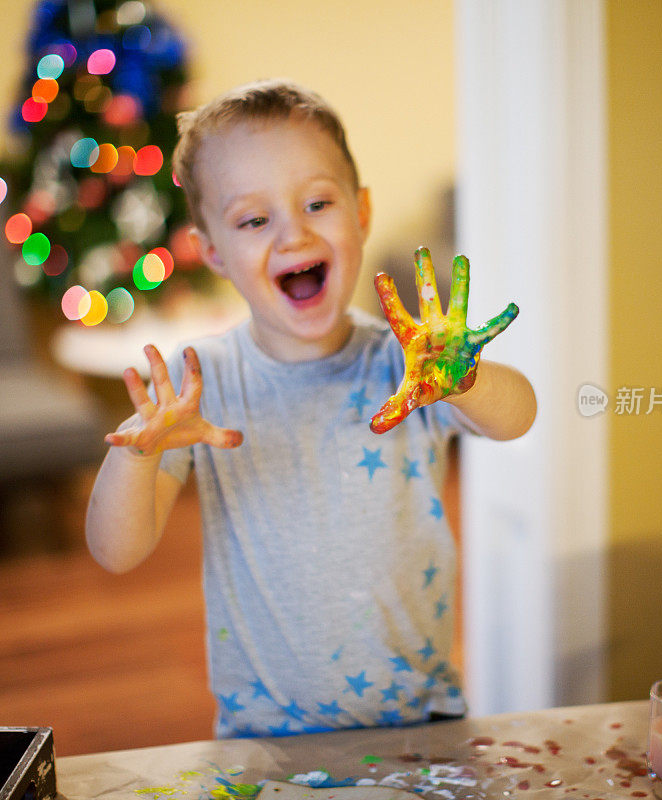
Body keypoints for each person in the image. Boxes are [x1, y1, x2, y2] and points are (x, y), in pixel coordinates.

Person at [86, 78, 537, 738]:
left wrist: (463, 378)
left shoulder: (406, 365)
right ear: (213, 251)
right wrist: (139, 454)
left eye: (317, 203)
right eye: (254, 220)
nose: (293, 234)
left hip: (421, 722)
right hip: (266, 737)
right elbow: (116, 551)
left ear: (361, 213)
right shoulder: (199, 383)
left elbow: (519, 413)